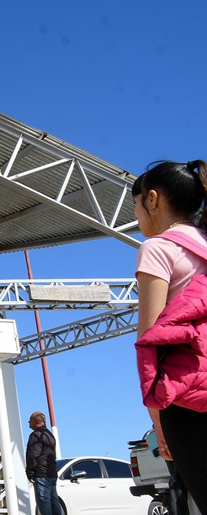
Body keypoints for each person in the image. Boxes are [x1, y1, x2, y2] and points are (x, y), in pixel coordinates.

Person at [132, 159, 207, 512]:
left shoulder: (157, 248)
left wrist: (156, 413)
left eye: (135, 206)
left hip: (188, 398)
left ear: (152, 199)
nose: (137, 217)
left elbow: (149, 337)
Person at [26, 412, 61, 515]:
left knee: (44, 504)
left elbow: (33, 456)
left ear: (36, 421)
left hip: (42, 475)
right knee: (55, 504)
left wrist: (30, 472)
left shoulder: (36, 435)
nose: (28, 422)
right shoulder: (50, 435)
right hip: (52, 474)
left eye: (30, 420)